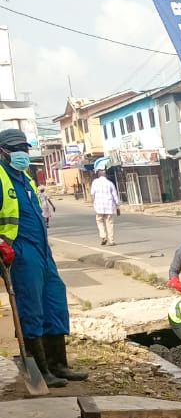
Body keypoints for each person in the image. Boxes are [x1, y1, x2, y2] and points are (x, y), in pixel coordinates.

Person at [0, 128, 87, 387]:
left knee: (55, 301)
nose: (22, 153)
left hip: (42, 250)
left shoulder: (25, 177)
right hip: (20, 252)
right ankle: (39, 369)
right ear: (3, 152)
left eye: (24, 149)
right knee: (31, 307)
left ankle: (58, 363)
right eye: (16, 149)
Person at [91, 163, 120, 246]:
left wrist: (94, 202)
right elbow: (115, 196)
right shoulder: (110, 183)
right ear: (105, 175)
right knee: (109, 223)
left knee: (99, 221)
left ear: (98, 175)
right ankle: (111, 240)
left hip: (99, 206)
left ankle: (103, 236)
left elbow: (92, 193)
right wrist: (117, 206)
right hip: (109, 206)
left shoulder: (95, 182)